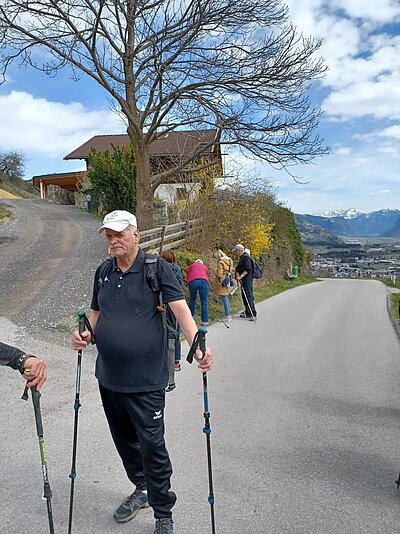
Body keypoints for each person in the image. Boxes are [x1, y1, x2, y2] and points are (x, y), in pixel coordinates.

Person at [72, 210, 213, 534]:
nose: (113, 240)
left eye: (119, 233)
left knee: (151, 444)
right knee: (124, 441)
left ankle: (163, 513)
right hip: (108, 376)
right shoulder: (103, 271)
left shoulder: (156, 268)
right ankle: (142, 488)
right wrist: (85, 334)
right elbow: (97, 312)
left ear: (136, 234)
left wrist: (198, 345)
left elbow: (180, 309)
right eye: (108, 235)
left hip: (146, 378)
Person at [161, 250, 183, 373]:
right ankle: (176, 362)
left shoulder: (163, 269)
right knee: (175, 332)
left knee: (167, 330)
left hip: (167, 304)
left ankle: (167, 360)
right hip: (178, 303)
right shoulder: (177, 268)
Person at [232, 243, 257, 321]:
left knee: (248, 295)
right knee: (244, 295)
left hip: (247, 280)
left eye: (236, 252)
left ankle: (252, 312)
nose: (235, 254)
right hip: (244, 280)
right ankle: (248, 311)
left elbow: (248, 269)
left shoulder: (246, 258)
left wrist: (241, 276)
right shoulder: (242, 257)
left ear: (240, 251)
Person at [186, 259, 209, 326]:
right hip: (204, 281)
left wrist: (187, 283)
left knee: (192, 299)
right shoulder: (204, 266)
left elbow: (188, 275)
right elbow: (206, 275)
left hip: (193, 281)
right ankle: (205, 321)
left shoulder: (191, 266)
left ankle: (190, 318)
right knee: (204, 301)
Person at [213, 249, 235, 322]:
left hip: (222, 280)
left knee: (224, 297)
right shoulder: (230, 260)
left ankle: (227, 316)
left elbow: (219, 274)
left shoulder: (220, 262)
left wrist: (215, 272)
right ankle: (229, 315)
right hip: (228, 279)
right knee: (226, 297)